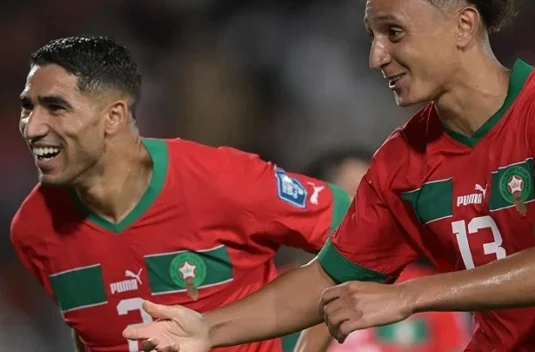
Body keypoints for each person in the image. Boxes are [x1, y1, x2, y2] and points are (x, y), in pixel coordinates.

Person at [123, 0, 535, 352]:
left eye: (394, 33)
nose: (376, 55)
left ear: (463, 26)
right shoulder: (403, 163)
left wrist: (408, 296)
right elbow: (324, 280)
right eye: (372, 35)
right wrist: (208, 329)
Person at [10, 36, 351, 352]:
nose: (32, 127)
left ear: (113, 117)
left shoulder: (223, 182)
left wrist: (308, 345)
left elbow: (351, 226)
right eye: (28, 107)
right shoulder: (33, 230)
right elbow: (90, 333)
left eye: (55, 108)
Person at [289, 148, 471, 352]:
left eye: (378, 197)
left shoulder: (426, 292)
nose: (371, 210)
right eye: (355, 197)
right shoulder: (276, 297)